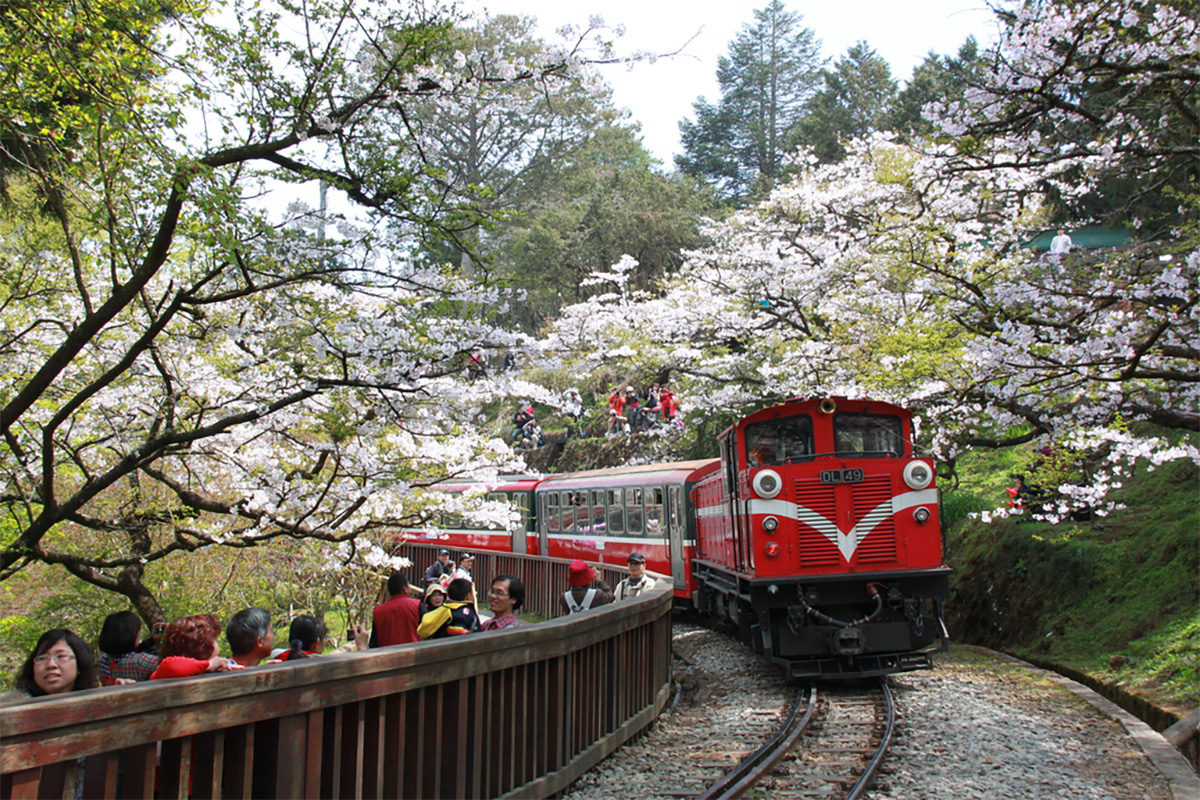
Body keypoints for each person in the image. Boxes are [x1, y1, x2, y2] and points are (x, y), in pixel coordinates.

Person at [2, 629, 96, 702]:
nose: (51, 664)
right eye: (42, 658)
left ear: (79, 664)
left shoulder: (98, 704)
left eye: (60, 656)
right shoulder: (8, 705)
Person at [150, 615, 242, 679]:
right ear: (203, 646)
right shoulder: (164, 671)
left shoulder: (198, 670)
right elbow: (171, 665)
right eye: (215, 639)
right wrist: (209, 664)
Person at [97, 610, 160, 685]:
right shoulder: (141, 661)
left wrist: (151, 641)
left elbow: (125, 652)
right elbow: (170, 663)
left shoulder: (102, 661)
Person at [370, 572, 422, 647]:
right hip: (414, 653)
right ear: (405, 589)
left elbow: (374, 642)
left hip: (386, 655)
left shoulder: (378, 611)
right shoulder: (417, 605)